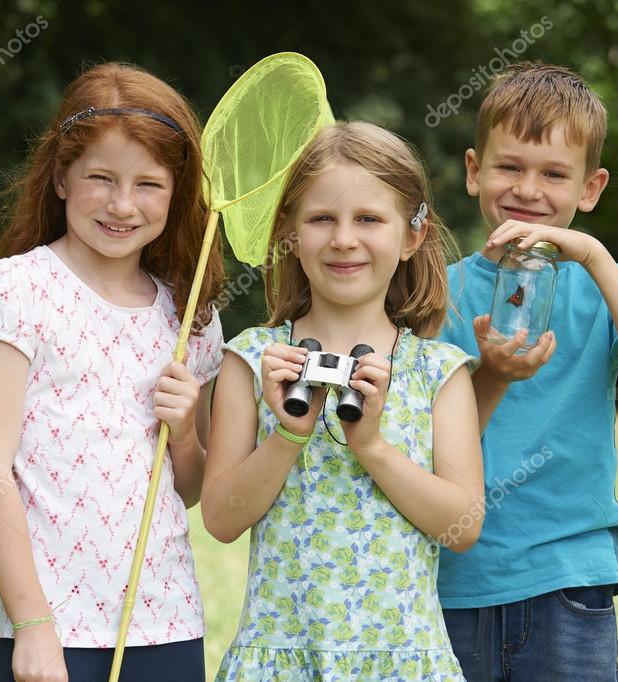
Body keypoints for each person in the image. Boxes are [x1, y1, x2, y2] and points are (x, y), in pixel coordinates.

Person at [0, 62, 225, 682]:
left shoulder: (190, 317)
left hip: (164, 616)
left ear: (177, 191)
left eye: (148, 184)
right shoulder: (17, 289)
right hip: (48, 622)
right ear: (59, 176)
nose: (122, 204)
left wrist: (185, 432)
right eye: (100, 178)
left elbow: (188, 488)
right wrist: (32, 626)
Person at [438, 62, 618, 680]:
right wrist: (491, 375)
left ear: (590, 188)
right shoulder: (436, 294)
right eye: (510, 167)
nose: (529, 190)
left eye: (554, 174)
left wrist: (597, 258)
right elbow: (422, 434)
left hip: (569, 577)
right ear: (475, 172)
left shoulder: (612, 287)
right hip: (453, 579)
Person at [203, 121, 484, 681]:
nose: (343, 239)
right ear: (290, 232)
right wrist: (288, 434)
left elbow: (462, 526)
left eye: (369, 219)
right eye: (322, 219)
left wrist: (371, 445)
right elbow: (220, 519)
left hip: (402, 659)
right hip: (282, 657)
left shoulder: (437, 371)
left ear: (412, 235)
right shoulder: (252, 360)